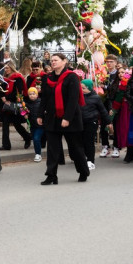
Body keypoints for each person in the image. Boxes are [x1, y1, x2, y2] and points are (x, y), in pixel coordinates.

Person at [40, 52, 90, 184]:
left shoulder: (71, 77)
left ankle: (83, 171)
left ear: (64, 61)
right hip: (52, 117)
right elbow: (44, 97)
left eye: (56, 60)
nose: (53, 62)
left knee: (75, 148)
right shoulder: (47, 78)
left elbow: (73, 100)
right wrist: (40, 114)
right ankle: (51, 176)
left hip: (70, 118)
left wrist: (67, 118)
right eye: (51, 60)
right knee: (52, 149)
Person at [0, 60, 32, 150]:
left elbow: (19, 92)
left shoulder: (18, 78)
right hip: (6, 105)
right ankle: (6, 145)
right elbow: (1, 90)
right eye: (5, 68)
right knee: (5, 125)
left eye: (7, 68)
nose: (6, 70)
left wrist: (7, 98)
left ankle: (27, 137)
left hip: (15, 104)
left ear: (12, 68)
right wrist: (3, 98)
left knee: (17, 124)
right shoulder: (4, 78)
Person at [80, 79, 106, 171]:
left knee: (89, 142)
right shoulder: (77, 96)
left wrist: (108, 122)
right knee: (80, 142)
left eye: (83, 88)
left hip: (91, 122)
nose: (81, 89)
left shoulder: (96, 98)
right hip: (79, 122)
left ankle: (90, 161)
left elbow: (103, 111)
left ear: (89, 88)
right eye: (80, 88)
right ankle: (82, 158)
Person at [101, 54, 123, 159]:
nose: (109, 64)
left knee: (115, 124)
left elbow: (116, 88)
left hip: (115, 103)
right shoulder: (102, 73)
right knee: (104, 125)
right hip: (104, 102)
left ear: (115, 63)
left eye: (111, 62)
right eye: (107, 62)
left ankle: (116, 147)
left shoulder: (118, 74)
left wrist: (105, 86)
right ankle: (105, 146)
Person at [27, 86, 44, 161]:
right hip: (32, 125)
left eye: (33, 94)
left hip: (40, 125)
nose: (32, 95)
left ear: (37, 95)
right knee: (35, 139)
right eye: (30, 94)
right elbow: (25, 113)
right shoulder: (27, 104)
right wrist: (25, 115)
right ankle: (37, 152)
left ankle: (38, 154)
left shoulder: (41, 103)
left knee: (36, 138)